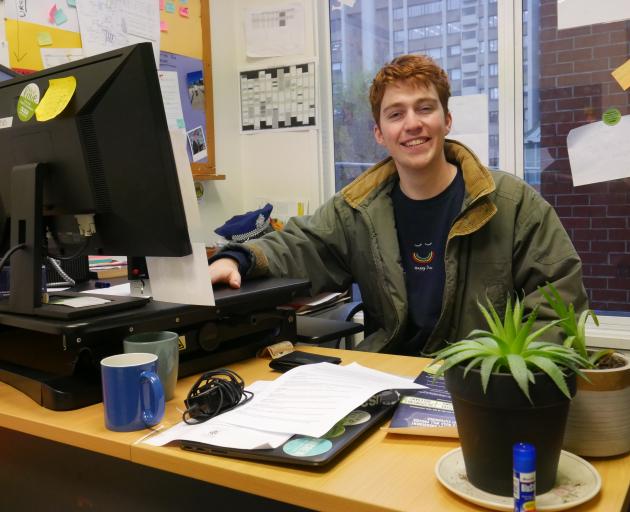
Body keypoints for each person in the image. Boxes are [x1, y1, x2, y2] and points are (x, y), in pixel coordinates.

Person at [209, 54, 587, 356]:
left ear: (446, 119)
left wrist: (510, 373)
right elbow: (300, 245)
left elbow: (560, 297)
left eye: (425, 108)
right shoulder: (355, 210)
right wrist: (235, 259)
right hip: (389, 380)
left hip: (480, 387)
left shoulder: (510, 204)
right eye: (396, 114)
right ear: (379, 133)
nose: (412, 124)